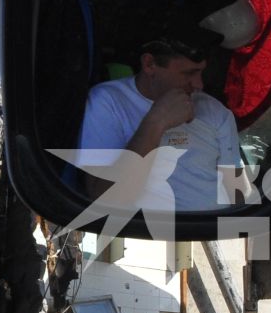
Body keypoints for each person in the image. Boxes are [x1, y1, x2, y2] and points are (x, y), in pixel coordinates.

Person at [77, 37, 242, 211]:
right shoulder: (107, 101)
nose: (199, 84)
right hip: (141, 232)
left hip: (212, 228)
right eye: (189, 73)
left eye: (201, 72)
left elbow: (236, 189)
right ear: (149, 64)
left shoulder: (215, 111)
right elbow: (103, 199)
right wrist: (156, 122)